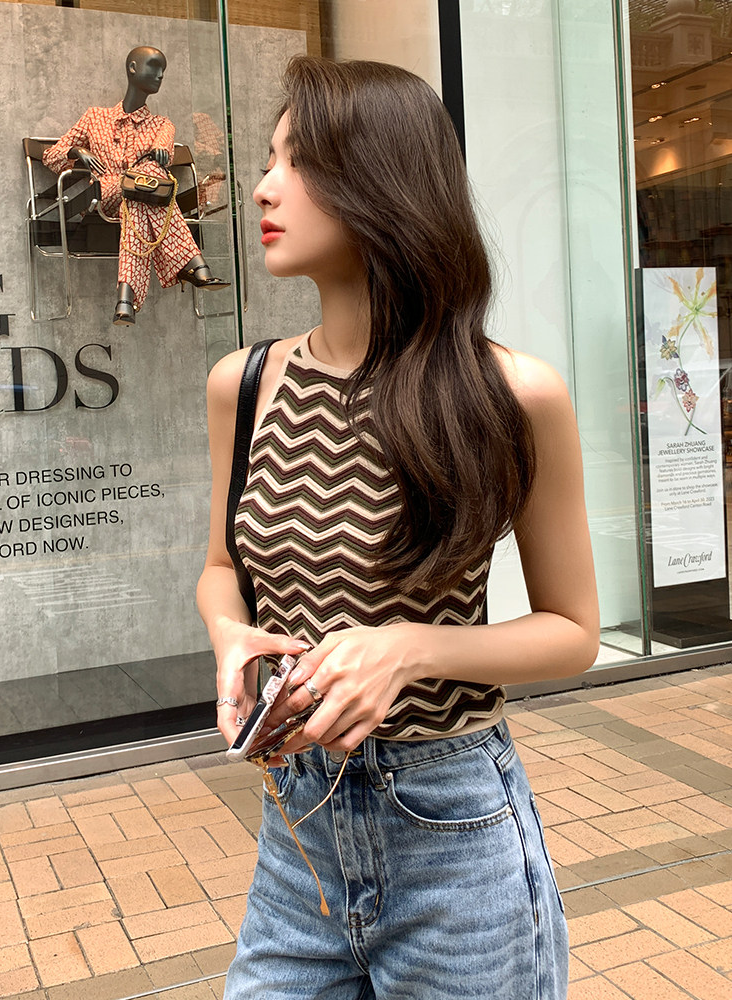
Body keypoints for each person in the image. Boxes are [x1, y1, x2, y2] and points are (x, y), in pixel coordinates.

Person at [197, 55, 599, 1000]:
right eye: (269, 160)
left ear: (382, 182)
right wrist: (230, 633)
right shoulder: (244, 386)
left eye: (298, 161)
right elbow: (220, 566)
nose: (263, 188)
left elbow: (574, 631)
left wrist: (410, 648)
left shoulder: (509, 394)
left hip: (453, 830)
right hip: (298, 835)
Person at [43, 46, 228, 327]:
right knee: (146, 180)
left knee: (139, 195)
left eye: (163, 70)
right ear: (132, 68)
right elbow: (51, 156)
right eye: (154, 66)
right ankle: (192, 264)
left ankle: (126, 299)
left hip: (138, 200)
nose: (160, 74)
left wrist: (161, 153)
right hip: (104, 194)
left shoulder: (162, 124)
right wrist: (77, 151)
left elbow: (163, 147)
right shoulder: (95, 117)